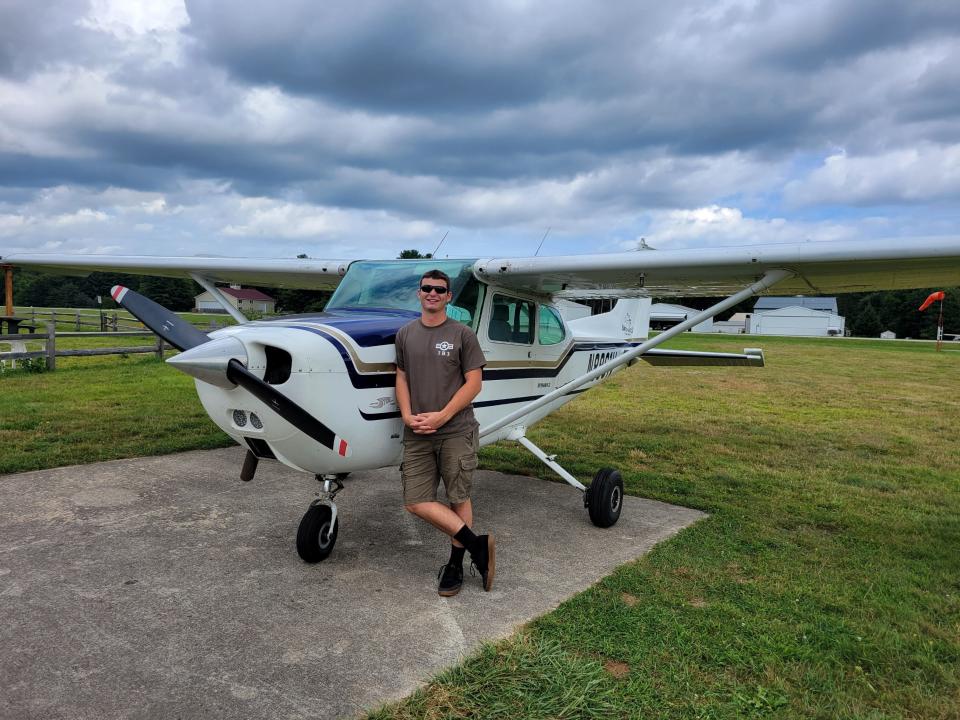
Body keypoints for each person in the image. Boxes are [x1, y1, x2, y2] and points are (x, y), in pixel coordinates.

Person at [394, 269, 494, 597]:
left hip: (456, 431)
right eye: (427, 288)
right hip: (417, 431)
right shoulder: (405, 334)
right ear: (419, 293)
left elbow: (474, 382)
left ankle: (455, 563)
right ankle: (478, 546)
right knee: (415, 501)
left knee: (457, 497)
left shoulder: (463, 334)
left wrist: (443, 415)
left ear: (449, 297)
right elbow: (402, 377)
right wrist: (407, 415)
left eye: (440, 289)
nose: (433, 293)